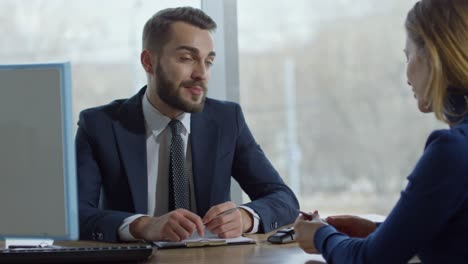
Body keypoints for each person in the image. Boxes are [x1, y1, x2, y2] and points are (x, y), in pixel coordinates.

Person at [76, 7, 299, 243]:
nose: (202, 73)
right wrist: (143, 226)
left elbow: (283, 199)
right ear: (148, 62)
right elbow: (76, 215)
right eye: (187, 58)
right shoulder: (99, 126)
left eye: (208, 61)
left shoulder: (226, 120)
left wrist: (245, 217)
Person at [294, 0, 468, 263]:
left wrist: (321, 235)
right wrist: (381, 232)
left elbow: (370, 260)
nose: (407, 75)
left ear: (432, 56)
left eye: (408, 55)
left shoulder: (452, 151)